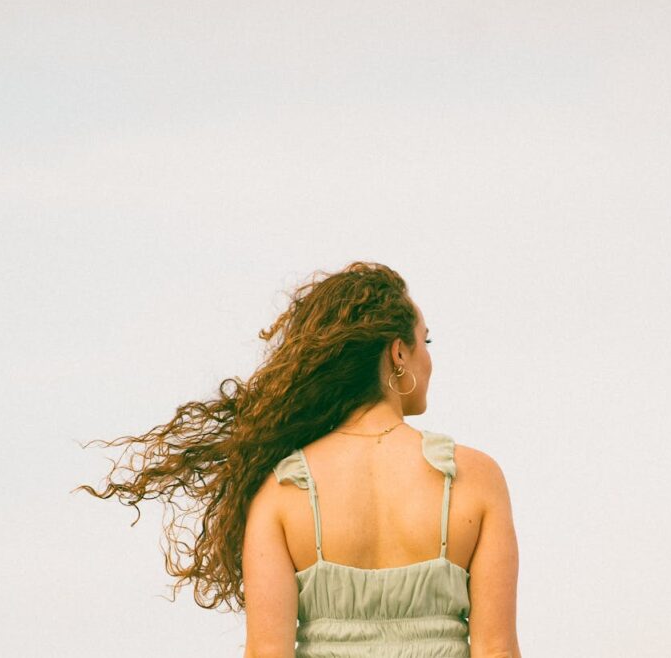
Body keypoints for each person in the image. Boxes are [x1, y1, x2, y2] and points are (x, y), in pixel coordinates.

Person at [74, 261, 521, 658]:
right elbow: (496, 650)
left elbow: (267, 653)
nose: (429, 358)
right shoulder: (474, 478)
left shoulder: (281, 492)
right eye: (425, 341)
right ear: (398, 352)